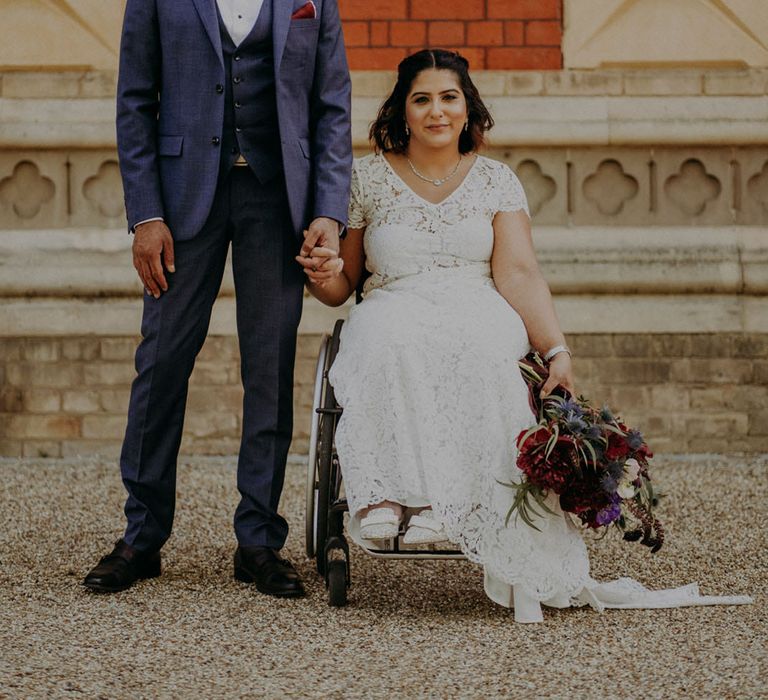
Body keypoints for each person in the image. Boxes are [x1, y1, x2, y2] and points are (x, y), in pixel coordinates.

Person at [298, 49, 752, 621]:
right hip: (395, 298)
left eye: (448, 98)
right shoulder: (367, 178)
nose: (436, 111)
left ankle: (450, 503)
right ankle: (390, 498)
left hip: (476, 302)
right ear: (402, 111)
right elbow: (344, 285)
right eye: (422, 99)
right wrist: (323, 274)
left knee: (486, 349)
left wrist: (556, 348)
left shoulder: (494, 180)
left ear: (468, 110)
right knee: (389, 337)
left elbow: (518, 273)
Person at [84, 0, 352, 597]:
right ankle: (142, 536)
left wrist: (329, 212)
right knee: (161, 363)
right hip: (181, 205)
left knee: (270, 368)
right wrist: (146, 214)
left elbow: (331, 108)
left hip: (277, 199)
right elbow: (134, 102)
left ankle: (258, 541)